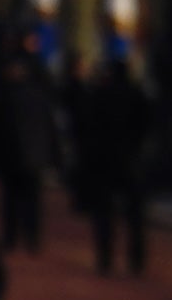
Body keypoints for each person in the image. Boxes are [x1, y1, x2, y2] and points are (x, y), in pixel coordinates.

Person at [68, 50, 159, 276]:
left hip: (105, 163)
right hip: (132, 162)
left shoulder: (100, 95)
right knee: (135, 217)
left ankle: (105, 258)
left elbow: (88, 128)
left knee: (104, 215)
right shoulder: (137, 95)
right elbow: (147, 126)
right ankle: (136, 260)